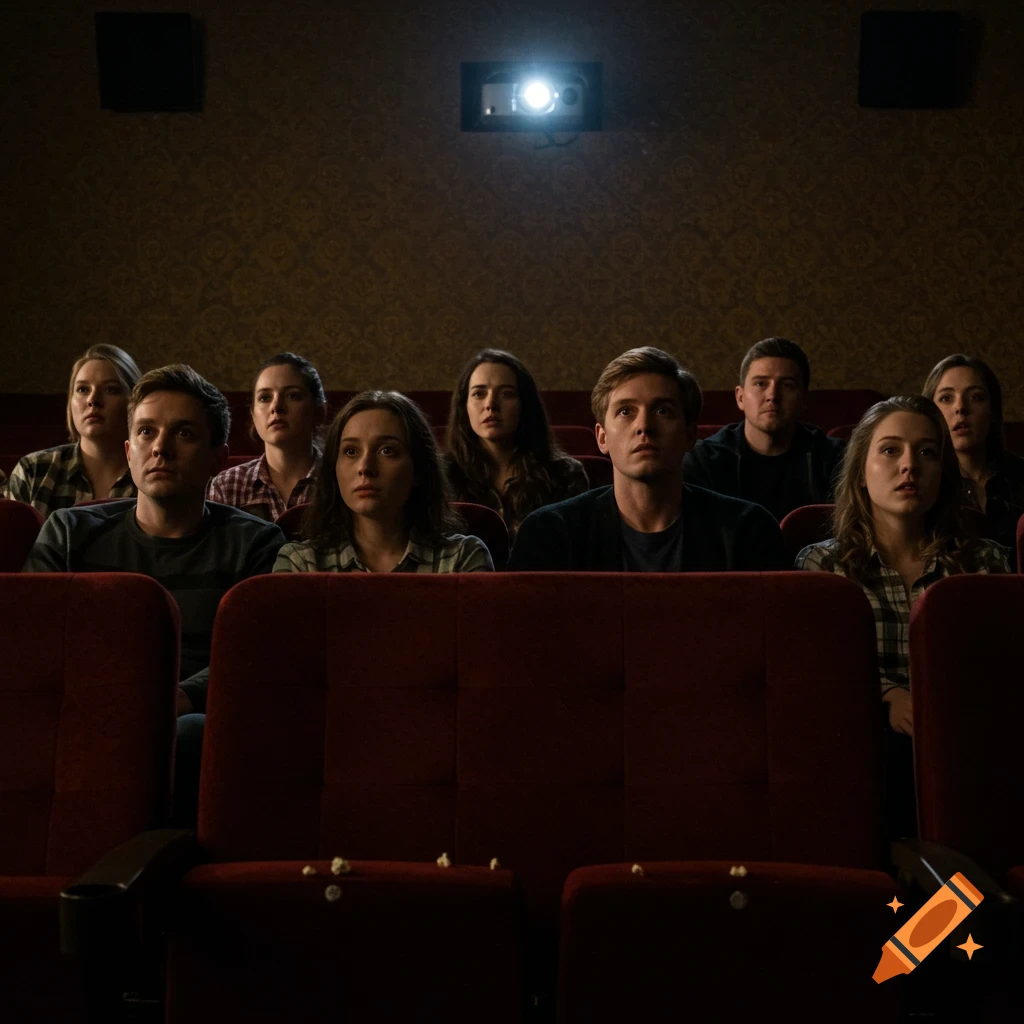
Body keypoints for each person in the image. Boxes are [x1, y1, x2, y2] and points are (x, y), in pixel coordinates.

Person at [22, 364, 285, 825]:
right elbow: (31, 640)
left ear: (217, 458)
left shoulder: (257, 543)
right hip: (82, 707)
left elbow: (255, 656)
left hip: (192, 717)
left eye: (183, 433)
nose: (160, 448)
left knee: (189, 735)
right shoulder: (69, 532)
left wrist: (180, 697)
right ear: (128, 451)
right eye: (146, 432)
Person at [795, 396, 1009, 835]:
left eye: (927, 452)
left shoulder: (984, 563)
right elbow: (815, 675)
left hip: (971, 744)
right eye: (891, 450)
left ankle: (956, 900)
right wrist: (889, 695)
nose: (910, 465)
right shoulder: (823, 567)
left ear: (943, 472)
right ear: (861, 469)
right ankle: (899, 899)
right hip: (866, 752)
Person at [507, 347, 786, 571]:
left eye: (662, 411)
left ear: (690, 435)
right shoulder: (549, 533)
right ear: (602, 437)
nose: (644, 426)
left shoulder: (748, 530)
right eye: (626, 411)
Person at [274, 390, 493, 573]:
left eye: (387, 450)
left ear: (418, 469)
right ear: (334, 469)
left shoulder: (461, 558)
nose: (365, 467)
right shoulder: (302, 563)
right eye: (351, 451)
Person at [682, 337, 845, 521]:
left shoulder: (835, 459)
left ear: (803, 400)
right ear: (740, 397)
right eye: (760, 383)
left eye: (787, 385)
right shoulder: (703, 461)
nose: (772, 395)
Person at [444, 349, 588, 540]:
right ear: (464, 406)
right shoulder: (442, 474)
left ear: (525, 404)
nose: (490, 405)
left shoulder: (564, 474)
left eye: (506, 394)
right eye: (479, 393)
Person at [2, 344, 142, 516]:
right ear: (70, 402)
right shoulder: (34, 471)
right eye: (83, 389)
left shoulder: (150, 474)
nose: (93, 400)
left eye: (110, 389)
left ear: (134, 402)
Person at [922, 353, 1024, 553]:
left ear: (993, 411)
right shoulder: (922, 482)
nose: (960, 408)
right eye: (946, 398)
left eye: (975, 397)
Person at [207, 352, 326, 522]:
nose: (276, 407)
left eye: (293, 395)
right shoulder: (228, 485)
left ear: (318, 412)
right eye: (265, 398)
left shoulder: (339, 479)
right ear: (254, 416)